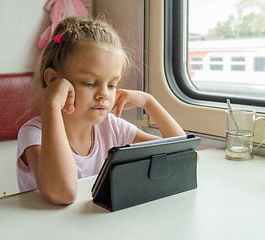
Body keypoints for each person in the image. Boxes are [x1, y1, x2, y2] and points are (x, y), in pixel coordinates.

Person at [17, 16, 187, 205]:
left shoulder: (112, 128)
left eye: (112, 85)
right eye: (89, 83)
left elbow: (184, 158)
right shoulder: (34, 134)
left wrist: (149, 102)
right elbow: (63, 194)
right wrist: (51, 104)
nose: (104, 94)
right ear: (53, 80)